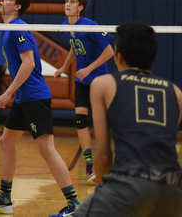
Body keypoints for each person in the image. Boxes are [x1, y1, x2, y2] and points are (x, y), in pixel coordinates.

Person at [0, 0, 80, 217]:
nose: (2, 0)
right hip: (25, 98)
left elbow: (29, 63)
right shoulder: (8, 28)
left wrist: (8, 92)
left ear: (18, 6)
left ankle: (74, 204)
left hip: (33, 96)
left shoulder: (19, 28)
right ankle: (5, 198)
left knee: (47, 150)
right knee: (5, 142)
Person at [74, 21, 182, 217]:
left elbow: (104, 156)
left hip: (129, 185)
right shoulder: (176, 92)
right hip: (173, 190)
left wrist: (102, 194)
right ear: (154, 56)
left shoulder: (104, 84)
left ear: (119, 57)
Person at [53, 0, 114, 182]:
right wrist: (64, 66)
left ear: (80, 8)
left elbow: (110, 52)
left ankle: (109, 162)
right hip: (81, 81)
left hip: (98, 80)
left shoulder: (91, 25)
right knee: (80, 121)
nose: (68, 4)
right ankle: (89, 165)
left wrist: (88, 68)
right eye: (66, 1)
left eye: (72, 2)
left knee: (101, 124)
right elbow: (74, 45)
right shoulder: (65, 25)